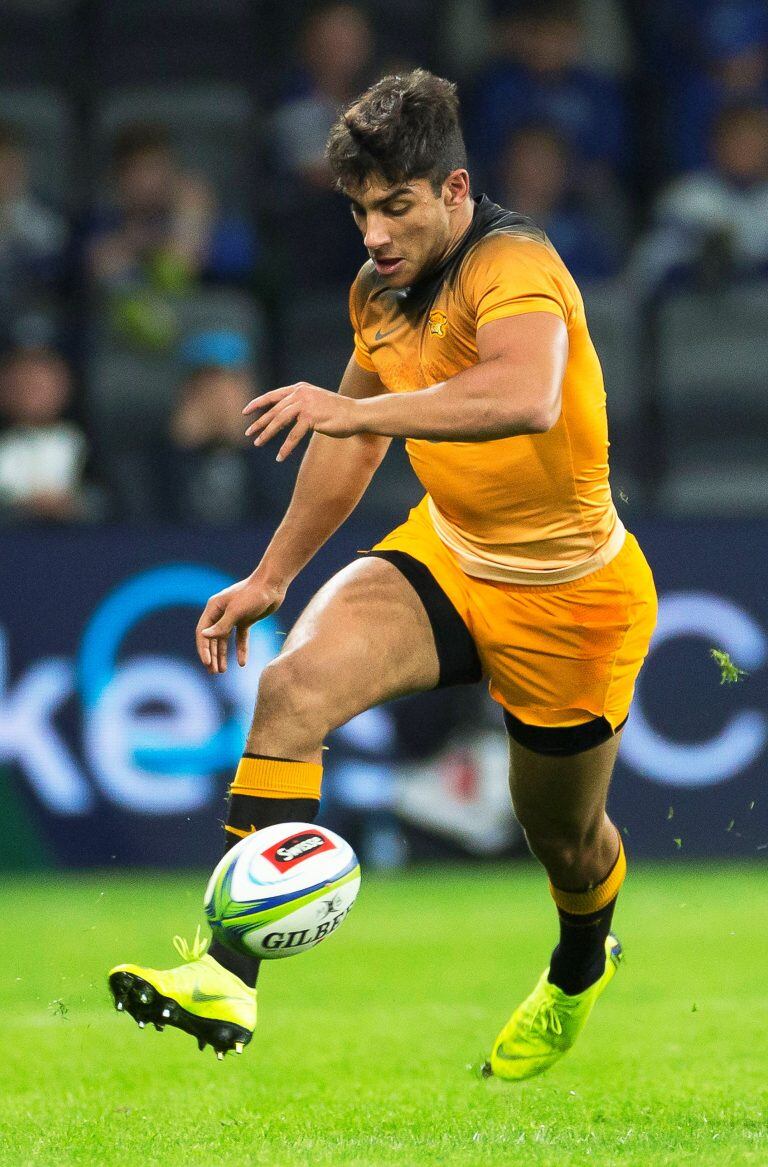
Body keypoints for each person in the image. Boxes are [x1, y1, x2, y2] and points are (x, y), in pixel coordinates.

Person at [108, 69, 657, 1080]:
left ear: (454, 190)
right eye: (361, 210)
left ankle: (581, 965)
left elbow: (526, 396)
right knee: (291, 690)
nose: (376, 232)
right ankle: (224, 981)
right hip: (446, 554)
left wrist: (355, 409)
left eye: (396, 205)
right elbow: (349, 445)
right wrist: (273, 574)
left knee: (564, 841)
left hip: (572, 595)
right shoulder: (380, 289)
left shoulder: (517, 266)